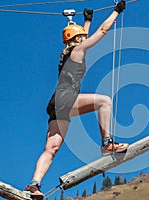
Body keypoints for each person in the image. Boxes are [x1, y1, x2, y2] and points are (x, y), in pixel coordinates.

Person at [24, 1, 128, 198]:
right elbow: (103, 32)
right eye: (82, 36)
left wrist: (87, 20)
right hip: (66, 98)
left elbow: (84, 37)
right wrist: (116, 11)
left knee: (51, 149)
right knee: (104, 101)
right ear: (78, 38)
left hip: (56, 104)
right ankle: (107, 143)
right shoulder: (78, 51)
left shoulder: (69, 53)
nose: (85, 38)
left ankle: (33, 184)